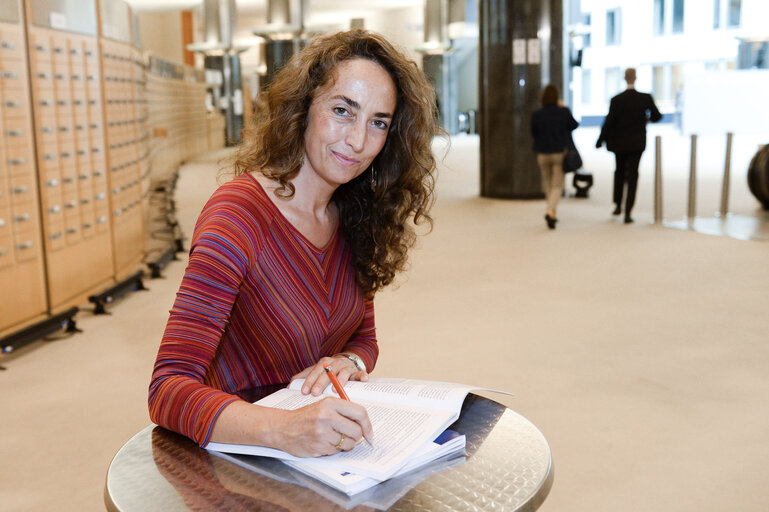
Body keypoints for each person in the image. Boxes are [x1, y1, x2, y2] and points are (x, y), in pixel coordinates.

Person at [148, 29, 440, 457]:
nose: (358, 141)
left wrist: (350, 362)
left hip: (318, 452)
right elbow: (167, 388)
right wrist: (283, 428)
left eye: (378, 122)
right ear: (303, 109)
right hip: (240, 455)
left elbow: (364, 338)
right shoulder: (237, 216)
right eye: (343, 110)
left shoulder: (356, 213)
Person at [596, 67, 662, 223]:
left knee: (619, 172)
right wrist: (647, 119)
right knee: (633, 175)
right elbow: (657, 116)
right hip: (637, 143)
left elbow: (609, 121)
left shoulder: (616, 99)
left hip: (619, 143)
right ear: (636, 78)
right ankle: (628, 212)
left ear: (624, 78)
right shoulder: (645, 98)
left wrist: (600, 139)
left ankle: (618, 204)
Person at [530, 84, 579, 229]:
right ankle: (550, 211)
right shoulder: (563, 112)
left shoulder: (537, 114)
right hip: (558, 153)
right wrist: (563, 107)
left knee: (548, 184)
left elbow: (534, 133)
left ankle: (552, 211)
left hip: (542, 154)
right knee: (557, 185)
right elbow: (574, 125)